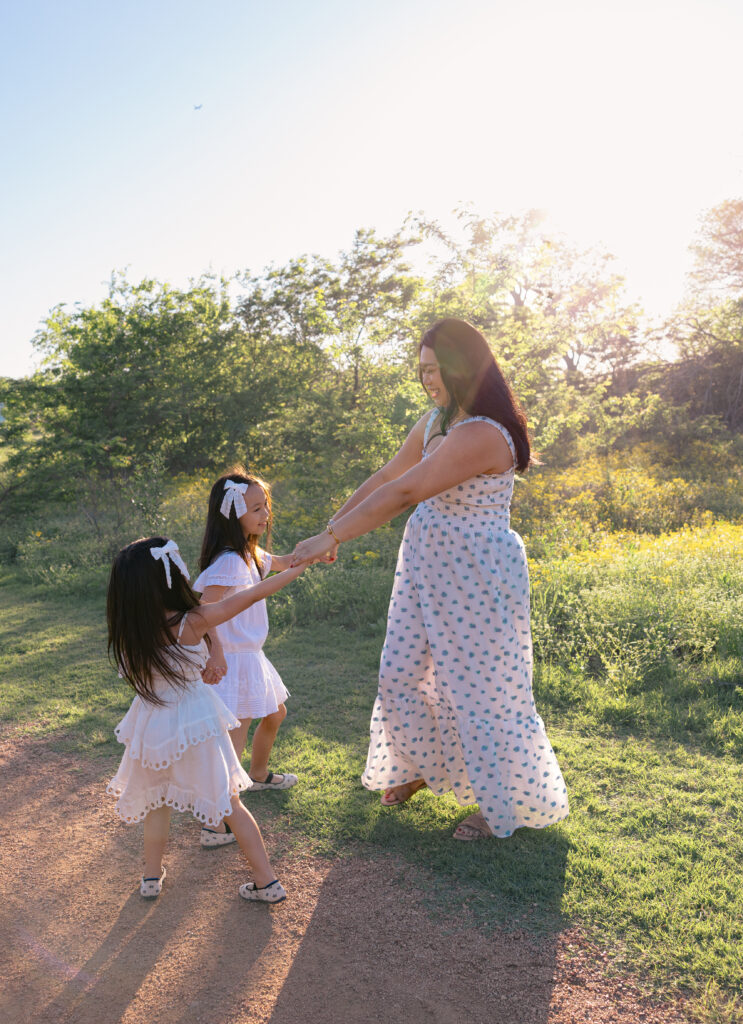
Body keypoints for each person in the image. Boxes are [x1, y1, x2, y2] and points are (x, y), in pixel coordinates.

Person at [291, 318, 568, 840]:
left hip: (477, 575)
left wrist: (332, 541)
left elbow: (405, 493)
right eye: (421, 372)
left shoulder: (484, 433)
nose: (428, 381)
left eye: (435, 371)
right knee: (398, 675)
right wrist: (329, 529)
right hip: (425, 565)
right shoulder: (435, 420)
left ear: (463, 369)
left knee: (480, 694)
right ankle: (421, 767)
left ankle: (497, 803)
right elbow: (387, 477)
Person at [106, 536, 306, 902]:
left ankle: (151, 877)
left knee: (157, 801)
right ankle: (267, 882)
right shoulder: (190, 622)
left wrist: (213, 651)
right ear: (169, 577)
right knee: (231, 804)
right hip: (195, 721)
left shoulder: (129, 632)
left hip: (151, 725)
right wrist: (299, 567)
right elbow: (247, 596)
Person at [193, 469, 328, 847]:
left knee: (275, 713)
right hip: (233, 662)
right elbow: (203, 611)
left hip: (251, 656)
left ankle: (259, 773)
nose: (264, 513)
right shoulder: (229, 562)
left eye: (265, 505)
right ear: (231, 515)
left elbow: (282, 563)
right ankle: (215, 823)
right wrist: (216, 653)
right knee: (231, 744)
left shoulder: (249, 554)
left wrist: (314, 553)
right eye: (255, 508)